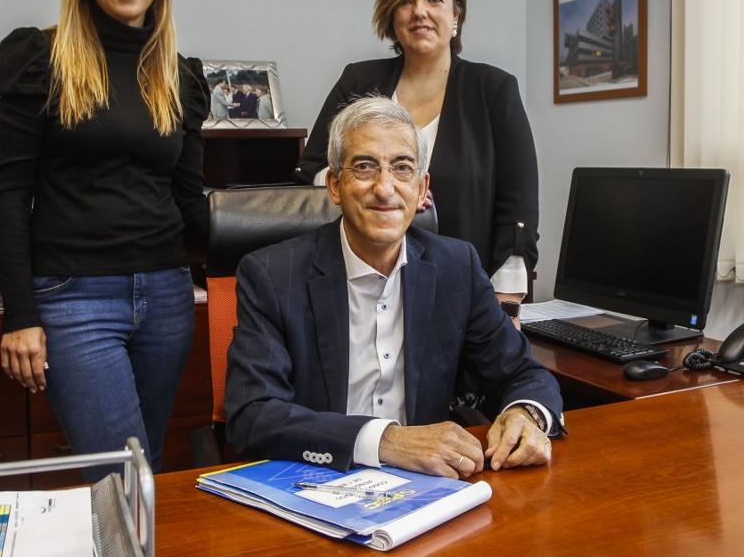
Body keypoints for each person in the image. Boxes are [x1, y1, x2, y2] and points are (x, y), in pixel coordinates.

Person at [0, 0, 209, 480]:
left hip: (165, 296)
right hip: (73, 298)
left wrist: (268, 256)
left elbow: (190, 197)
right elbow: (9, 194)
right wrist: (19, 314)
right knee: (120, 475)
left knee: (151, 467)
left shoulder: (177, 75)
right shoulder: (43, 58)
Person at [226, 97, 562, 478]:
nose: (385, 188)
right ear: (335, 185)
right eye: (365, 167)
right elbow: (252, 414)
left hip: (427, 486)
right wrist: (387, 441)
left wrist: (526, 413)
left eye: (402, 168)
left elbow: (523, 373)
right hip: (317, 478)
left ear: (421, 189)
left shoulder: (456, 267)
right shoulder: (272, 274)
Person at [294, 0, 538, 327]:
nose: (419, 11)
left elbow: (518, 203)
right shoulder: (358, 82)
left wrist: (506, 304)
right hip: (361, 288)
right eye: (406, 0)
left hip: (464, 293)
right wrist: (365, 183)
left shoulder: (493, 89)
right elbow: (313, 167)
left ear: (456, 13)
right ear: (392, 15)